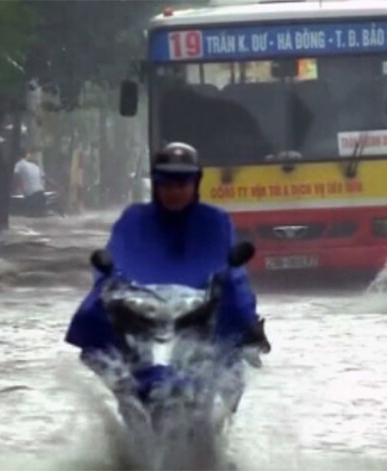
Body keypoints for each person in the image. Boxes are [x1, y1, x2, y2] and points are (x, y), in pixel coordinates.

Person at [64, 142, 267, 396]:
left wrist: (226, 284)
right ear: (156, 185)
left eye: (182, 184)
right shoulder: (134, 219)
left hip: (199, 309)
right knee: (96, 311)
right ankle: (121, 383)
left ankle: (227, 381)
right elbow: (116, 257)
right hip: (144, 310)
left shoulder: (215, 220)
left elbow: (226, 263)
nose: (174, 191)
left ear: (195, 184)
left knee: (236, 307)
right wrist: (111, 276)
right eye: (167, 184)